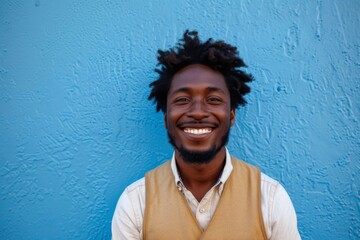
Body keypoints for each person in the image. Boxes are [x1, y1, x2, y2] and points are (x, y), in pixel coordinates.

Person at [112, 30, 301, 240]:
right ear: (166, 117)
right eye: (182, 100)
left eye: (213, 99)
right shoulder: (136, 202)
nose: (198, 112)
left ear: (231, 115)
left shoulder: (271, 199)